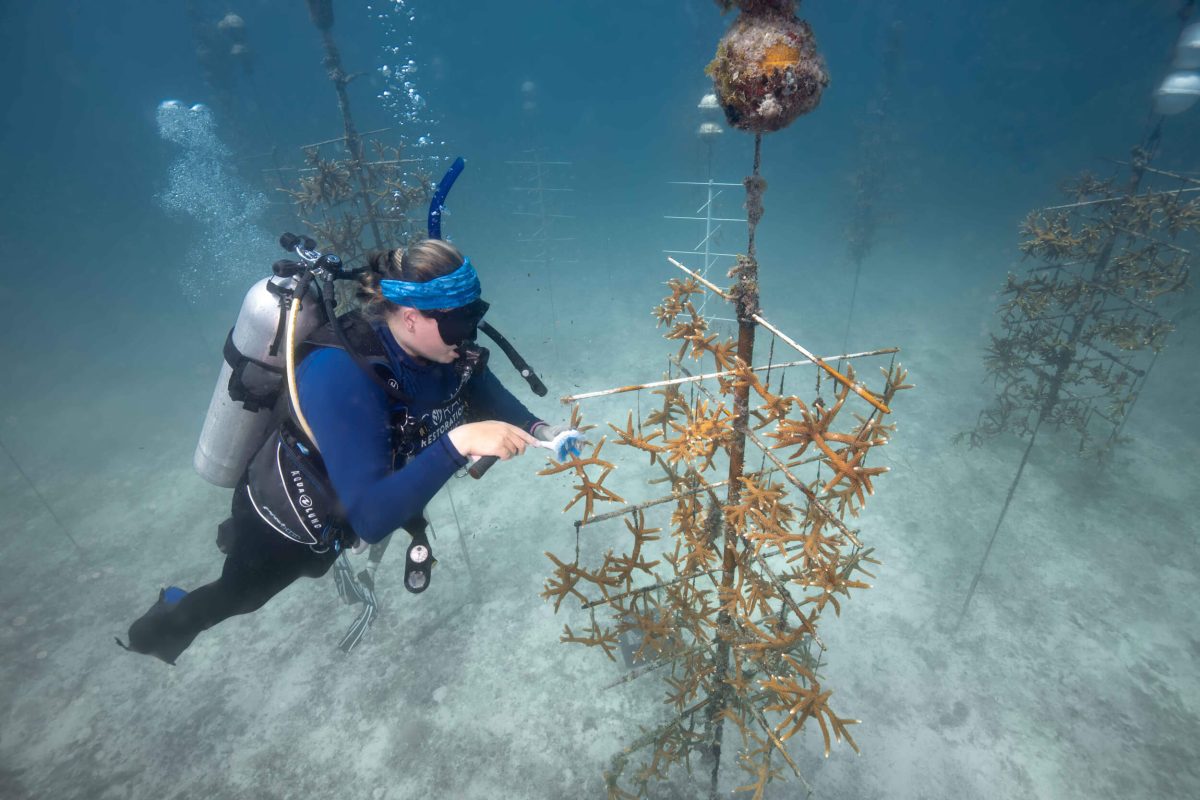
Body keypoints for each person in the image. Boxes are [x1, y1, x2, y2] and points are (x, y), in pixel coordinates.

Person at [119, 239, 574, 664]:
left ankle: (233, 545)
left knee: (316, 567)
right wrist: (461, 443)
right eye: (460, 321)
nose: (470, 333)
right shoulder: (342, 373)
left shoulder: (446, 350)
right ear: (411, 316)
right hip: (291, 515)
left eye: (476, 314)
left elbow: (480, 388)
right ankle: (158, 628)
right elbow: (371, 520)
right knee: (244, 594)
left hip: (359, 497)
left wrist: (541, 429)